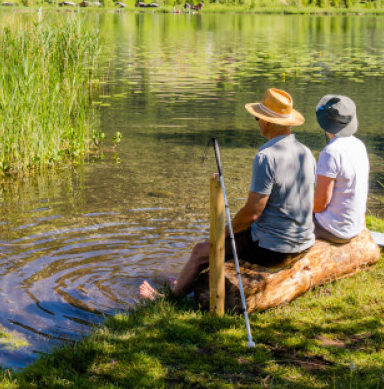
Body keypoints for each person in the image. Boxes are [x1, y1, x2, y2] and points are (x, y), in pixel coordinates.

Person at [139, 88, 315, 300]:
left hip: (275, 250)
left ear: (266, 122)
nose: (257, 121)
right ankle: (186, 280)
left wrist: (221, 234)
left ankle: (168, 299)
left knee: (200, 251)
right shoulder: (306, 152)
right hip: (304, 242)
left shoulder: (267, 157)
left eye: (257, 118)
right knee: (230, 240)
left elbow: (252, 213)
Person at [312, 95, 369, 244]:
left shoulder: (330, 152)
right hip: (355, 226)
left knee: (282, 220)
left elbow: (320, 203)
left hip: (334, 229)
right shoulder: (359, 145)